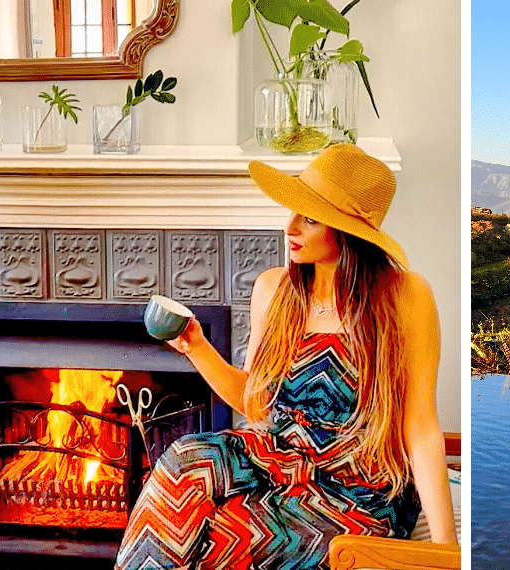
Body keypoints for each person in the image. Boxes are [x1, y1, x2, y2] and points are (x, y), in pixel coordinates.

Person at [114, 143, 456, 570]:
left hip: (358, 482)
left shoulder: (405, 296)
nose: (289, 227)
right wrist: (197, 347)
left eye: (309, 218)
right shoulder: (274, 289)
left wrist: (445, 551)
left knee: (226, 537)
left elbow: (419, 423)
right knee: (183, 460)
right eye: (292, 211)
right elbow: (254, 401)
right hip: (274, 457)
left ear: (345, 231)